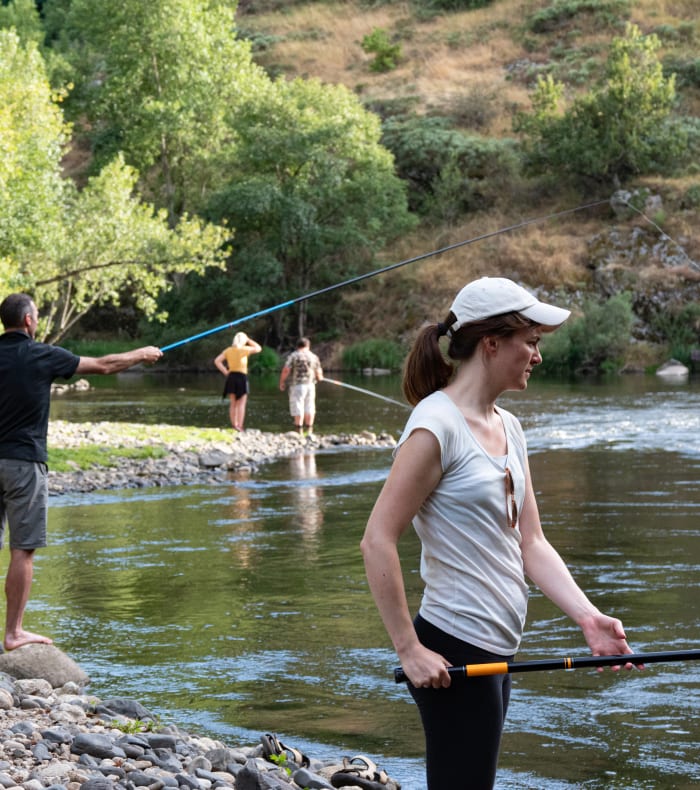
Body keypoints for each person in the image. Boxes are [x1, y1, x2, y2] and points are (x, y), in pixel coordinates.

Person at [360, 277, 638, 789]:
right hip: (452, 647)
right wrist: (408, 649)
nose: (537, 356)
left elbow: (531, 543)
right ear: (491, 343)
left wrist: (589, 618)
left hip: (495, 647)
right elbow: (377, 538)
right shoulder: (435, 426)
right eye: (530, 342)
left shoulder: (509, 426)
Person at [0, 292, 163, 651]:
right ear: (28, 320)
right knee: (22, 550)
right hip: (24, 462)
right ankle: (13, 633)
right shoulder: (41, 354)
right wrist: (141, 354)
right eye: (37, 314)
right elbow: (104, 365)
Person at [214, 332, 262, 432]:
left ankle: (234, 425)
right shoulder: (245, 349)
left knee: (233, 403)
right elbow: (258, 348)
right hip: (242, 377)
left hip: (231, 377)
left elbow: (217, 361)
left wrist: (225, 372)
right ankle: (240, 425)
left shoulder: (228, 350)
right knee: (241, 403)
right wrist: (249, 340)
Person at [279, 337, 323, 435]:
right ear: (308, 346)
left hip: (297, 385)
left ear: (297, 346)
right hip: (310, 385)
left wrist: (281, 382)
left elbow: (286, 370)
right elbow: (319, 372)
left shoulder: (294, 356)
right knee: (310, 406)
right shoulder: (313, 356)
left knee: (298, 406)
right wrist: (319, 377)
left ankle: (299, 430)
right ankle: (309, 431)